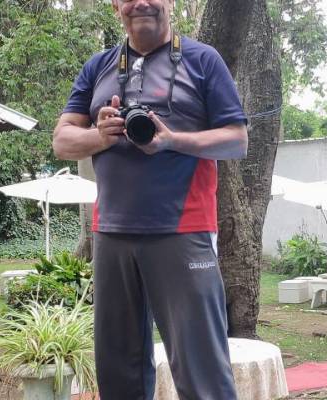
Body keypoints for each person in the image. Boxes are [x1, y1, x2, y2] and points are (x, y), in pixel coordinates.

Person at [53, 0, 248, 399]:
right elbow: (62, 140)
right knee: (117, 370)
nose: (141, 2)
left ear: (170, 3)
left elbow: (237, 140)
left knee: (202, 372)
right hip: (110, 233)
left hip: (182, 230)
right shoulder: (99, 66)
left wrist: (172, 140)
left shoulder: (203, 60)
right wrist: (100, 135)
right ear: (116, 6)